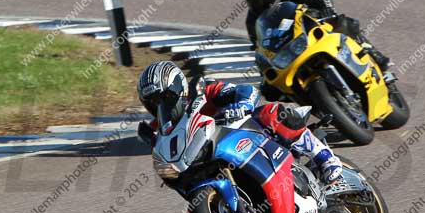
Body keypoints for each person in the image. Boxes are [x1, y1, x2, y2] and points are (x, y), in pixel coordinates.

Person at [136, 61, 344, 188]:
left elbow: (246, 91)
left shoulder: (203, 92)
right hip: (211, 162)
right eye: (153, 102)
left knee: (271, 113)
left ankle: (324, 158)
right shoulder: (162, 128)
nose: (160, 105)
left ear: (178, 87)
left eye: (163, 98)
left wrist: (241, 105)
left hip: (246, 135)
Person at [242, 0, 390, 70]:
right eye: (254, 0)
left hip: (310, 27)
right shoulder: (252, 21)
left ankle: (372, 52)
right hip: (288, 48)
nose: (259, 4)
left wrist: (327, 9)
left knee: (343, 23)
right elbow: (259, 46)